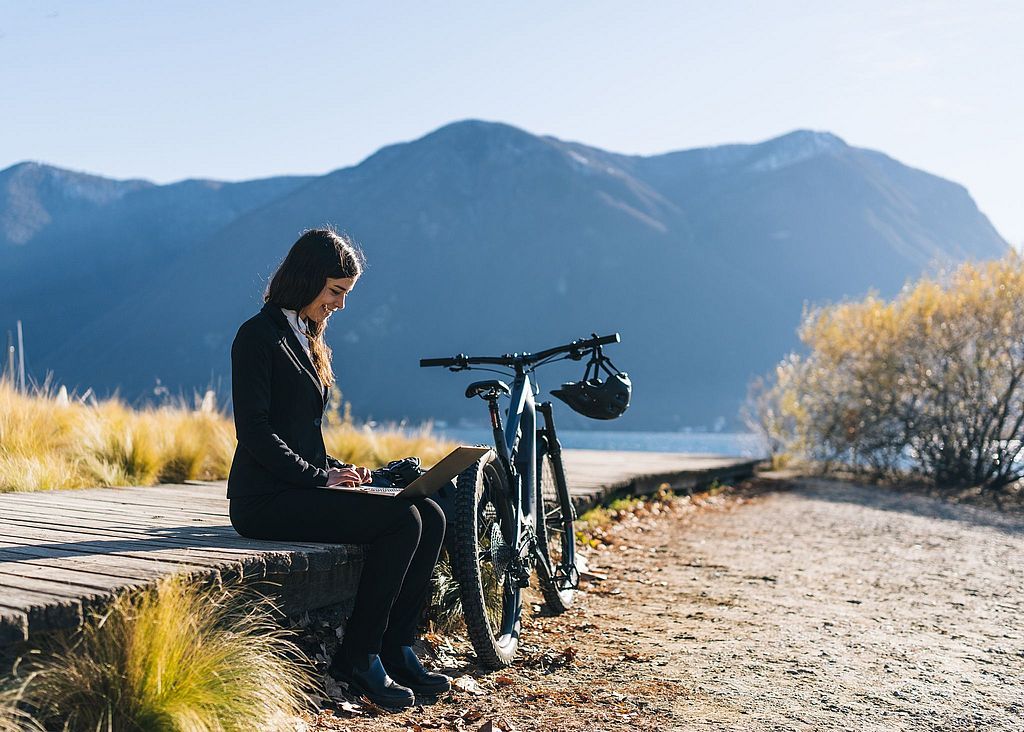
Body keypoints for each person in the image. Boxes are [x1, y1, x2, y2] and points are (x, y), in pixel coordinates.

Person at [227, 228, 450, 709]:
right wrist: (319, 478)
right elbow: (256, 431)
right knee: (402, 520)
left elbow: (300, 433)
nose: (340, 305)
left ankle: (398, 647)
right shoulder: (256, 335)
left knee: (429, 513)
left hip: (299, 487)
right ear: (307, 279)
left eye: (345, 293)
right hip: (263, 500)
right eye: (335, 291)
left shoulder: (304, 336)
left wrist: (337, 468)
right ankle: (359, 655)